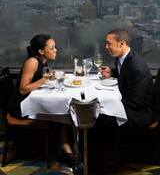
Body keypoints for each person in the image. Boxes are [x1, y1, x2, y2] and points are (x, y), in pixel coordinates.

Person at [88, 28, 158, 175]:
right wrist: (113, 72)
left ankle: (96, 167)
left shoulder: (136, 67)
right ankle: (95, 158)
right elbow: (124, 72)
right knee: (98, 112)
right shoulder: (126, 58)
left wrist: (108, 105)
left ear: (121, 43)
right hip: (135, 106)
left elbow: (135, 103)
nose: (106, 47)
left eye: (109, 44)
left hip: (142, 113)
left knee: (99, 118)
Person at [8, 34, 75, 167]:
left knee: (62, 110)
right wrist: (44, 79)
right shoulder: (32, 62)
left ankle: (63, 146)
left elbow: (39, 80)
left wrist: (50, 77)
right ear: (41, 51)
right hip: (21, 108)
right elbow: (23, 89)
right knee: (61, 111)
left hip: (31, 103)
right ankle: (64, 147)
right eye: (52, 48)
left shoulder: (42, 62)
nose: (55, 50)